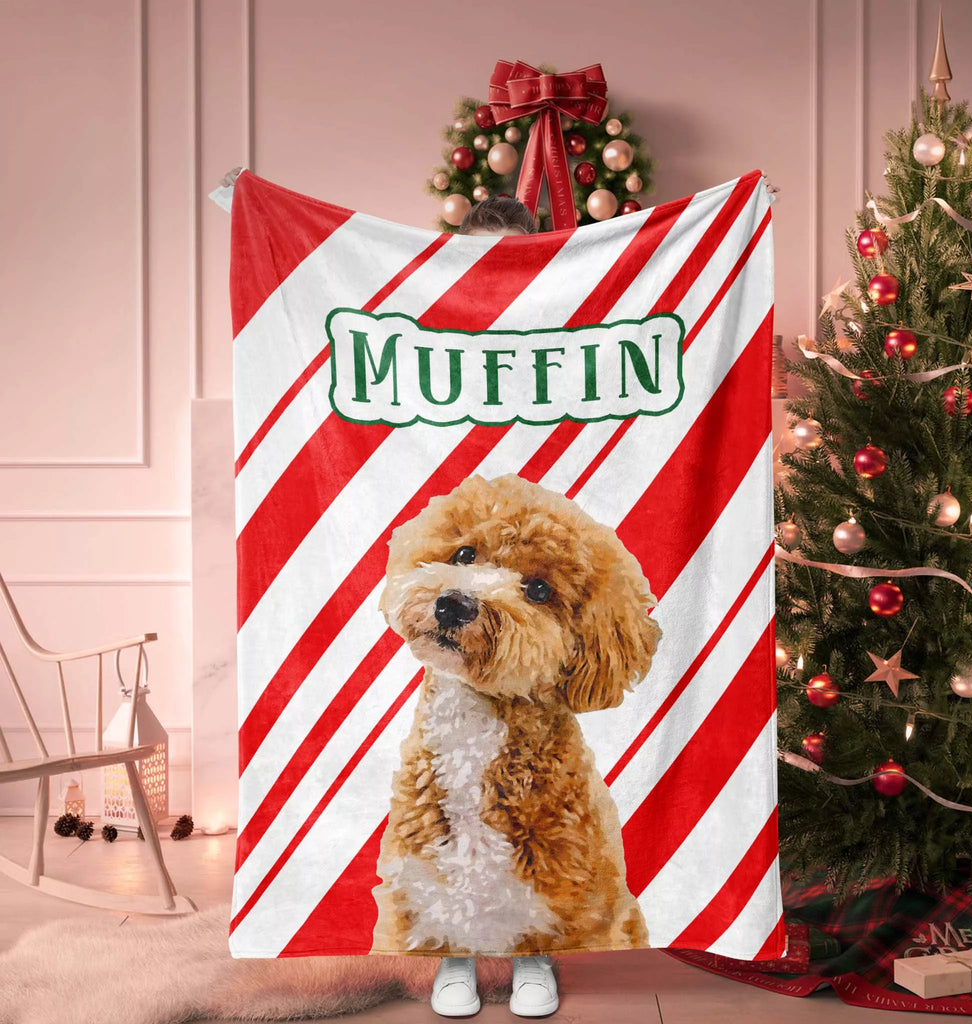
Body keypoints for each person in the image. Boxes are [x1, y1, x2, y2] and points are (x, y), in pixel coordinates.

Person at [428, 193, 559, 1021]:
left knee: (533, 794)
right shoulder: (431, 322)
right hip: (460, 560)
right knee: (449, 787)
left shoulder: (560, 324)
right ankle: (454, 954)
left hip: (529, 564)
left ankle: (534, 951)